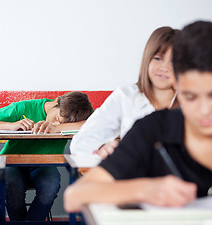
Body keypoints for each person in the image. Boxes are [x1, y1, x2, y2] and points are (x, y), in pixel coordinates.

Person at [64, 20, 212, 213]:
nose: (204, 110)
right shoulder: (151, 126)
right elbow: (75, 195)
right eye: (190, 97)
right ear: (179, 83)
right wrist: (145, 189)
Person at [0, 91, 93, 225]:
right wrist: (11, 125)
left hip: (45, 164)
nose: (56, 123)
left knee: (51, 185)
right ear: (56, 102)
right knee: (12, 185)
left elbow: (92, 123)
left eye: (64, 125)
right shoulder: (23, 108)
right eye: (56, 119)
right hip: (12, 162)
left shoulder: (67, 121)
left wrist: (57, 128)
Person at [70, 26, 179, 159]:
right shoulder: (126, 96)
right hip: (134, 176)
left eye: (173, 61)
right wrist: (102, 150)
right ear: (147, 58)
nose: (164, 67)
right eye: (158, 58)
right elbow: (80, 144)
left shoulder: (193, 100)